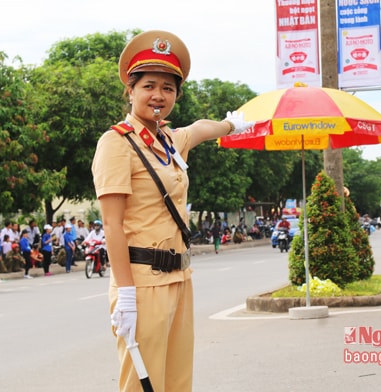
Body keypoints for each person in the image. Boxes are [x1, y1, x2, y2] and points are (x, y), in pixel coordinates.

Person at [91, 30, 254, 392]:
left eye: (169, 88)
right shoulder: (116, 144)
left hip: (180, 278)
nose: (159, 95)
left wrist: (231, 125)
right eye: (149, 85)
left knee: (178, 382)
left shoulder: (169, 141)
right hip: (142, 282)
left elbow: (199, 129)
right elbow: (112, 226)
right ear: (130, 90)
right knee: (143, 384)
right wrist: (127, 295)